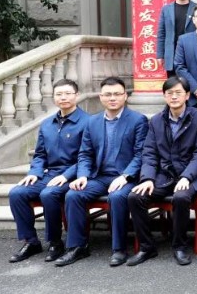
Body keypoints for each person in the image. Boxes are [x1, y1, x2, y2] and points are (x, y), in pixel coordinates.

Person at [54, 77, 148, 267]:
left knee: (117, 196)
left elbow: (141, 154)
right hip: (99, 176)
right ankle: (77, 247)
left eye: (117, 94)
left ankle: (119, 249)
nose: (112, 98)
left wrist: (125, 176)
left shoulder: (138, 120)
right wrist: (82, 175)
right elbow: (85, 153)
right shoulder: (93, 122)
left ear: (125, 96)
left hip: (126, 177)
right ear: (101, 97)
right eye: (108, 94)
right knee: (73, 194)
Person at [126, 76, 197, 267]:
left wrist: (187, 176)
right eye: (169, 93)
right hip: (165, 175)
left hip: (195, 175)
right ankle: (147, 247)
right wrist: (147, 178)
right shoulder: (156, 121)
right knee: (135, 196)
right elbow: (149, 153)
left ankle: (179, 246)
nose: (174, 97)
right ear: (164, 96)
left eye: (178, 93)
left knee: (181, 197)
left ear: (187, 95)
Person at [8, 79, 89, 263]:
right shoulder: (47, 124)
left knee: (49, 194)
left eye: (68, 93)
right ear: (53, 97)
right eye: (59, 94)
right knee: (17, 193)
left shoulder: (88, 122)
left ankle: (55, 242)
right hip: (50, 173)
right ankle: (31, 241)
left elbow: (88, 157)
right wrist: (34, 172)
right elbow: (39, 154)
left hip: (75, 175)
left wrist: (66, 176)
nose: (63, 97)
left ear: (76, 95)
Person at [156, 0, 196, 75]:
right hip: (172, 54)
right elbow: (161, 33)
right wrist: (160, 55)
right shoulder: (166, 9)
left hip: (192, 54)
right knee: (173, 82)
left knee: (191, 83)